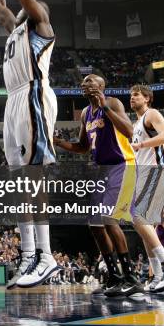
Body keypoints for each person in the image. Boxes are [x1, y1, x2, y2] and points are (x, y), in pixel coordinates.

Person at [0, 0, 58, 288]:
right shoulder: (15, 30)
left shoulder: (40, 26)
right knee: (18, 182)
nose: (23, 6)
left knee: (33, 178)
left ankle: (47, 256)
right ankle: (28, 254)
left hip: (33, 96)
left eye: (29, 5)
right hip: (13, 101)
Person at [55, 74, 142, 297]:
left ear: (101, 86)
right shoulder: (85, 113)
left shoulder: (112, 102)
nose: (84, 84)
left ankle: (131, 277)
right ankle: (114, 277)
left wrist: (106, 108)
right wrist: (58, 142)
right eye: (82, 82)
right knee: (95, 224)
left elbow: (130, 132)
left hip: (123, 165)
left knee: (108, 218)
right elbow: (83, 147)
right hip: (101, 170)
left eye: (89, 81)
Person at [129, 84, 164, 292]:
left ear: (147, 98)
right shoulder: (136, 124)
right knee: (145, 227)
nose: (132, 98)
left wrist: (141, 145)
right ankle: (157, 274)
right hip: (144, 174)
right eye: (131, 95)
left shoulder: (151, 114)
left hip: (158, 170)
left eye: (136, 95)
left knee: (138, 217)